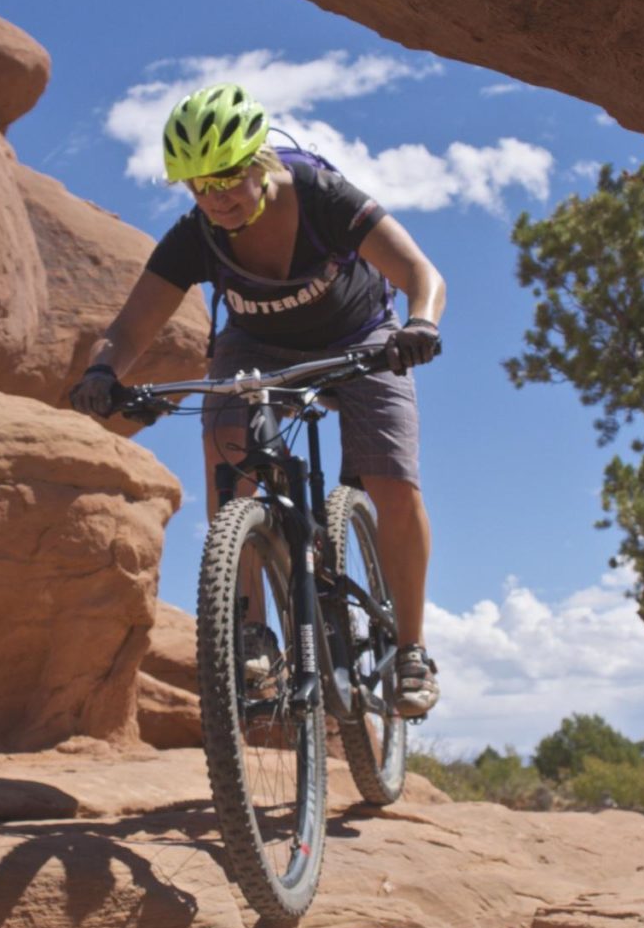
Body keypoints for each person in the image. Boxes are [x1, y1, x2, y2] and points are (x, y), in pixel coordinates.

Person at [66, 82, 448, 717]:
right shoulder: (197, 235)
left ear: (257, 165)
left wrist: (421, 325)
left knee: (392, 480)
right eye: (197, 186)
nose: (213, 199)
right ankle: (252, 632)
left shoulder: (322, 196)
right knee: (227, 455)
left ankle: (410, 651)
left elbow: (421, 274)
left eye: (224, 180)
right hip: (257, 348)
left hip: (365, 339)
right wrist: (103, 371)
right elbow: (131, 328)